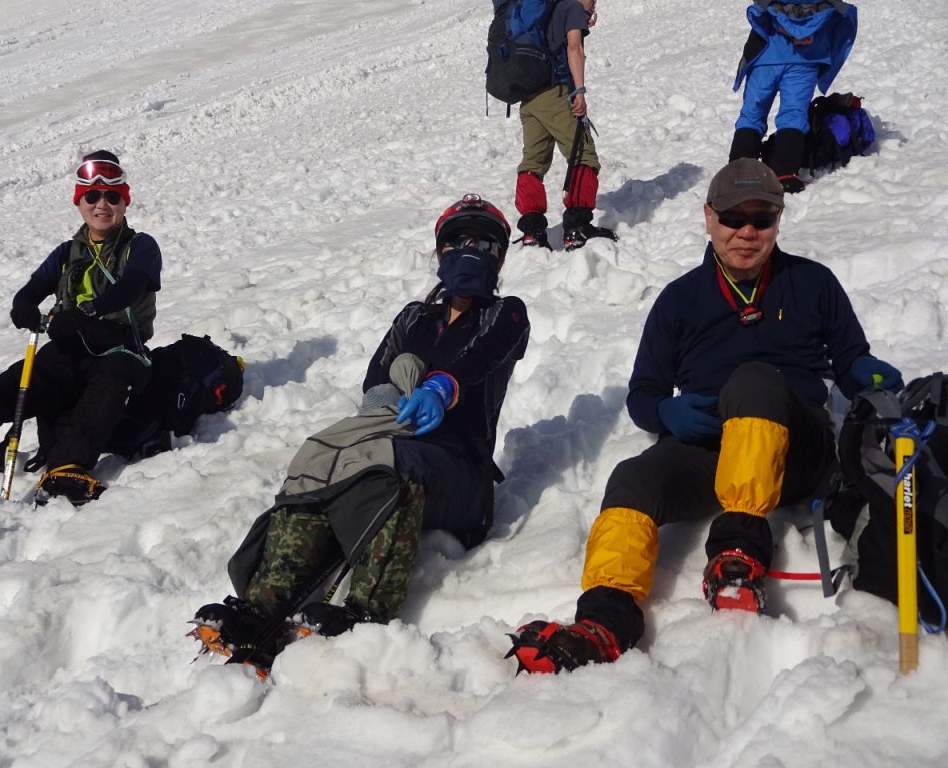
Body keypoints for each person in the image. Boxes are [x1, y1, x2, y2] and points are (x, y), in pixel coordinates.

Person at [506, 159, 902, 673]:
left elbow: (849, 361)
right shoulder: (679, 301)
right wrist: (666, 412)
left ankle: (737, 559)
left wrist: (867, 373)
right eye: (733, 217)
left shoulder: (814, 283)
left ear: (778, 222)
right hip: (711, 446)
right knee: (634, 476)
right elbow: (643, 393)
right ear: (708, 218)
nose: (747, 231)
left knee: (753, 380)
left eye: (762, 219)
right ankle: (603, 622)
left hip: (793, 448)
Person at [192, 195, 530, 674]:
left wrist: (441, 384)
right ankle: (263, 606)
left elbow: (485, 356)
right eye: (458, 240)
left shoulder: (506, 315)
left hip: (461, 474)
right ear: (440, 252)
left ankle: (368, 612)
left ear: (499, 255)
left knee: (389, 469)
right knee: (322, 465)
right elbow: (376, 379)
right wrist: (387, 400)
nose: (469, 249)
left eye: (483, 242)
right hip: (391, 444)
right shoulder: (414, 318)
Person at [0, 150, 162, 505]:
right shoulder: (67, 253)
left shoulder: (140, 247)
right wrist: (23, 307)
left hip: (121, 350)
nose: (102, 204)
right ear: (79, 202)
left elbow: (131, 287)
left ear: (124, 203)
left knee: (110, 383)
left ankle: (68, 468)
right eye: (92, 196)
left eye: (112, 197)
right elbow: (32, 290)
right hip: (68, 350)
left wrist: (89, 311)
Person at [513, 0, 616, 251]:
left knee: (533, 163)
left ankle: (532, 232)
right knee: (583, 155)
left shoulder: (544, 10)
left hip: (529, 99)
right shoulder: (570, 8)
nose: (594, 4)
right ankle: (577, 227)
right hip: (556, 93)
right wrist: (579, 90)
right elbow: (573, 46)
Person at [728, 0, 858, 193]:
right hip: (806, 58)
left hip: (767, 54)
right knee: (794, 114)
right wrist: (806, 30)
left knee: (752, 114)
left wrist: (782, 26)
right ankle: (785, 174)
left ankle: (739, 173)